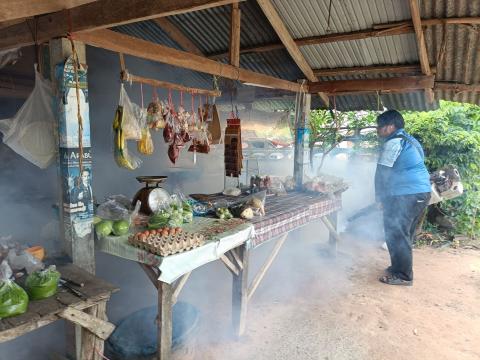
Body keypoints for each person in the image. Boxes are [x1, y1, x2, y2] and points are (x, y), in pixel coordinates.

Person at [375, 110, 431, 286]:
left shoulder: (394, 142)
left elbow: (382, 173)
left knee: (396, 232)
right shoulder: (410, 140)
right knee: (402, 233)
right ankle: (398, 267)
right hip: (420, 193)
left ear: (390, 127)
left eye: (380, 126)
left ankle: (404, 276)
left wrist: (380, 198)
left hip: (407, 194)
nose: (378, 130)